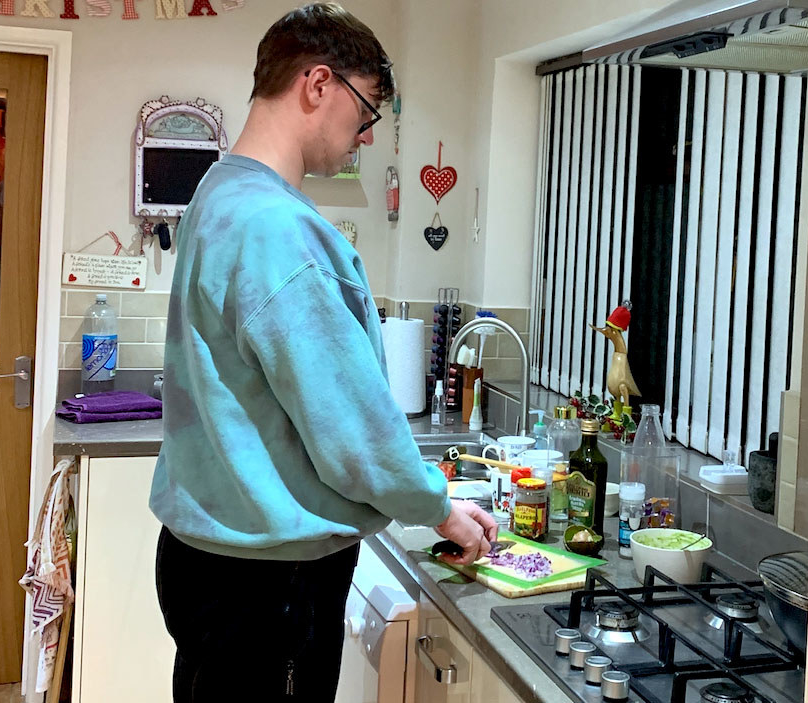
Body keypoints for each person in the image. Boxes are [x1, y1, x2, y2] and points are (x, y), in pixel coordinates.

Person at [149, 5, 497, 701]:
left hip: (204, 558)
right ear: (317, 84)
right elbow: (353, 434)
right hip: (266, 578)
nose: (365, 135)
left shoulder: (217, 192)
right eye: (365, 111)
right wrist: (443, 510)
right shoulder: (281, 230)